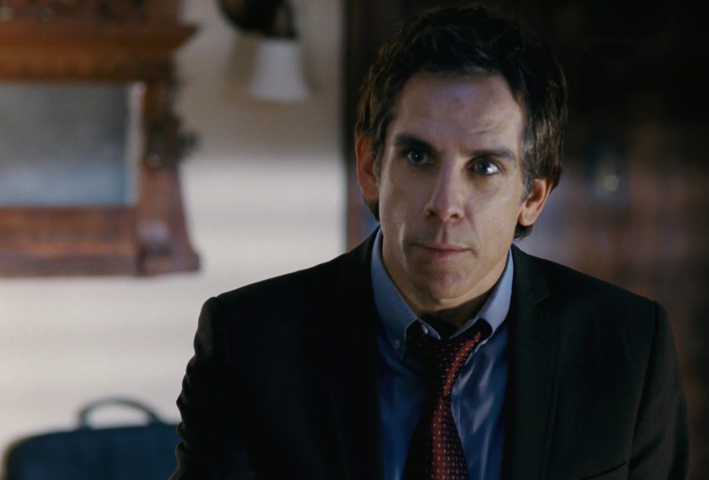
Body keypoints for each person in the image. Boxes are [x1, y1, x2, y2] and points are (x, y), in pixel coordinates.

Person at [170, 5, 689, 480]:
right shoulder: (248, 344)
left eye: (484, 167)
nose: (445, 204)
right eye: (418, 157)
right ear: (370, 168)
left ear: (532, 197)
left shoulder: (628, 348)